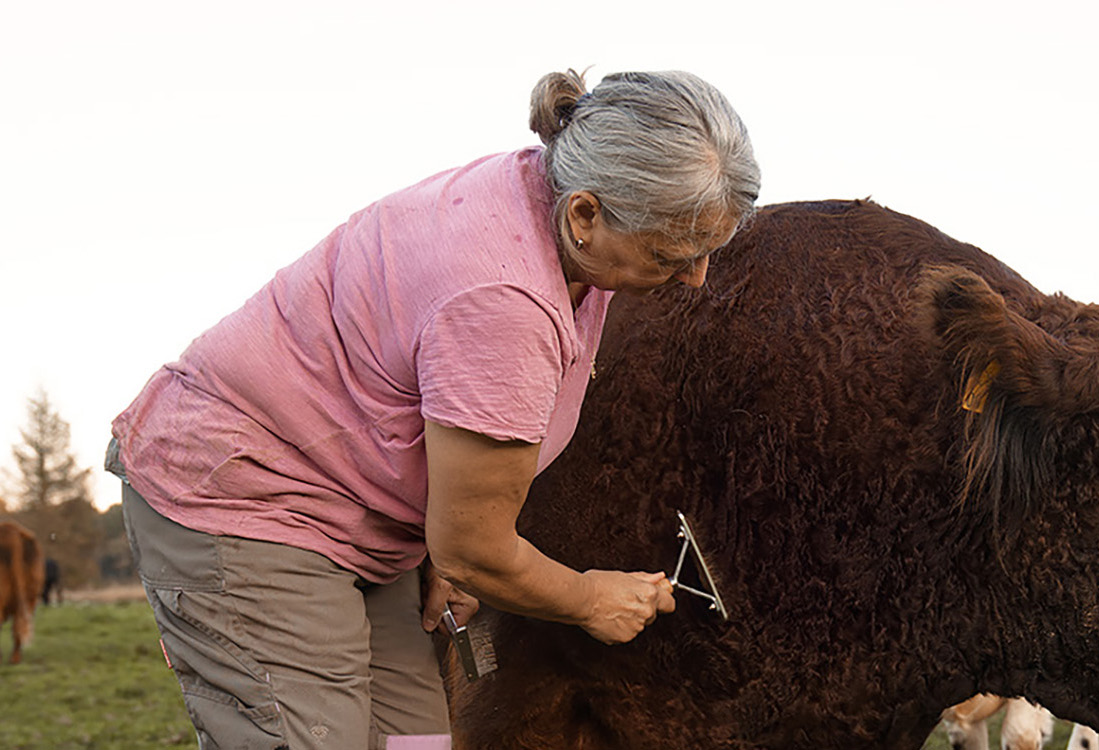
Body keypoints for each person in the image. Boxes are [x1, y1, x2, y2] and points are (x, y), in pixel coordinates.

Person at [107, 70, 759, 749]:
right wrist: (590, 597)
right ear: (585, 215)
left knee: (413, 742)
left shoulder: (547, 198)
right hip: (246, 497)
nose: (695, 277)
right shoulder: (503, 297)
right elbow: (476, 550)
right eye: (669, 254)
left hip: (361, 516)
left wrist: (444, 548)